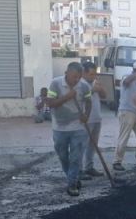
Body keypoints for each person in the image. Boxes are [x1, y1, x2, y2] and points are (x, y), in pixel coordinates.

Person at [44, 62, 91, 197]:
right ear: (66, 73)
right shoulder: (55, 84)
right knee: (63, 156)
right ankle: (72, 177)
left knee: (76, 158)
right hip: (59, 128)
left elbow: (88, 101)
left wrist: (86, 114)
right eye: (74, 77)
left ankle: (72, 184)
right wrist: (67, 97)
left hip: (78, 128)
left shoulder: (84, 86)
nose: (76, 80)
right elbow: (50, 103)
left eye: (79, 77)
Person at [113, 61, 136, 171]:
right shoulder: (127, 77)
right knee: (124, 137)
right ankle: (117, 161)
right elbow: (126, 82)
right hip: (127, 112)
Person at [81, 61, 106, 178]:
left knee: (93, 145)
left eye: (95, 74)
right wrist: (92, 90)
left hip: (96, 118)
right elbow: (79, 97)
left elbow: (105, 96)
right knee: (81, 145)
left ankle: (89, 167)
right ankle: (79, 169)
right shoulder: (80, 84)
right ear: (84, 73)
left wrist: (100, 89)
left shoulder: (95, 82)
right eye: (91, 74)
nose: (93, 76)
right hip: (86, 119)